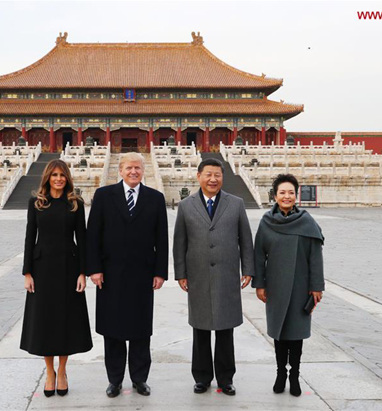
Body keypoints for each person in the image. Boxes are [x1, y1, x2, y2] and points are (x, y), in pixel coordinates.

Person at [86, 152, 168, 398]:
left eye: (138, 168)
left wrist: (160, 272)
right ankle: (114, 380)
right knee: (113, 330)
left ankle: (140, 379)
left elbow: (161, 239)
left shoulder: (155, 198)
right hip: (110, 275)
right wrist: (94, 269)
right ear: (120, 171)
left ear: (143, 171)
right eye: (129, 168)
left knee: (141, 330)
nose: (134, 172)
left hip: (142, 274)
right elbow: (93, 236)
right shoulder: (104, 196)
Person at [173, 158, 254, 396]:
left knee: (225, 329)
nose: (213, 179)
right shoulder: (186, 206)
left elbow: (246, 240)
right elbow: (180, 242)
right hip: (197, 275)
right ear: (198, 176)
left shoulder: (236, 203)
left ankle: (226, 378)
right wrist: (181, 273)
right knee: (200, 329)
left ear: (222, 177)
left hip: (227, 274)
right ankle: (202, 377)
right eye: (208, 174)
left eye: (217, 175)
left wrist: (247, 269)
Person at [20, 159, 93, 397]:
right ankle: (49, 371)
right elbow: (30, 237)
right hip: (42, 270)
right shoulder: (37, 203)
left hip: (68, 269)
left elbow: (82, 239)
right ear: (48, 178)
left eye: (62, 175)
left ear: (67, 178)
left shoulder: (75, 203)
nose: (59, 179)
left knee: (65, 322)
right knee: (44, 322)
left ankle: (62, 371)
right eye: (54, 175)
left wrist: (83, 271)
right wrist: (27, 273)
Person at [252, 173, 324, 397]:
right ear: (275, 195)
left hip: (301, 285)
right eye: (282, 192)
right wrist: (260, 284)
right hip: (275, 286)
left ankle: (294, 376)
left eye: (290, 193)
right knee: (280, 333)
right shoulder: (266, 222)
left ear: (296, 195)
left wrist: (316, 287)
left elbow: (315, 257)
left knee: (296, 334)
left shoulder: (307, 221)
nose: (286, 196)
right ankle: (280, 373)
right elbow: (258, 256)